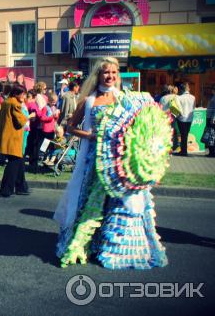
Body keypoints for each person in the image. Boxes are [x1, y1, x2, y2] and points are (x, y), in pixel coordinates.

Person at [53, 57, 167, 269]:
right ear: (99, 75)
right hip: (94, 161)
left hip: (118, 161)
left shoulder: (124, 99)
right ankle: (85, 245)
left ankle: (112, 247)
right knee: (91, 204)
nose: (110, 76)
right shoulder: (88, 100)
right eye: (106, 72)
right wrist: (88, 135)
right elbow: (70, 126)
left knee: (119, 204)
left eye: (114, 73)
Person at [0, 83, 30, 197]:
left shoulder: (6, 101)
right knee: (13, 164)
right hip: (14, 138)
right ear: (16, 94)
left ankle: (21, 186)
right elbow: (21, 121)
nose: (24, 96)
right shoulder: (15, 104)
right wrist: (29, 116)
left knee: (19, 162)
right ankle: (5, 190)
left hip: (7, 137)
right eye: (22, 94)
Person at [176, 82, 195, 156]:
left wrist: (179, 116)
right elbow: (193, 108)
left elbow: (178, 109)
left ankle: (183, 151)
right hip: (189, 119)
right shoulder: (193, 97)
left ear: (182, 89)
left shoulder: (179, 98)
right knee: (186, 135)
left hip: (181, 119)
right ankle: (184, 150)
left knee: (183, 135)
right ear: (187, 88)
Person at [201, 85, 215, 157]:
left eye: (212, 89)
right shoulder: (213, 97)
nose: (212, 91)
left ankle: (212, 152)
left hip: (211, 119)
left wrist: (213, 118)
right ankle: (211, 152)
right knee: (210, 134)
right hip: (210, 118)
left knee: (211, 135)